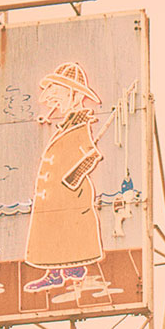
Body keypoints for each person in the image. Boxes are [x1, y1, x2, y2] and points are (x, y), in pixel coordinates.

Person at [23, 62, 104, 293]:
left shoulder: (80, 123)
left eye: (58, 94)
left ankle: (58, 273)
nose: (52, 101)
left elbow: (90, 154)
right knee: (60, 230)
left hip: (67, 194)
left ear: (75, 94)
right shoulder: (68, 123)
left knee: (62, 229)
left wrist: (70, 181)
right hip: (56, 194)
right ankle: (70, 270)